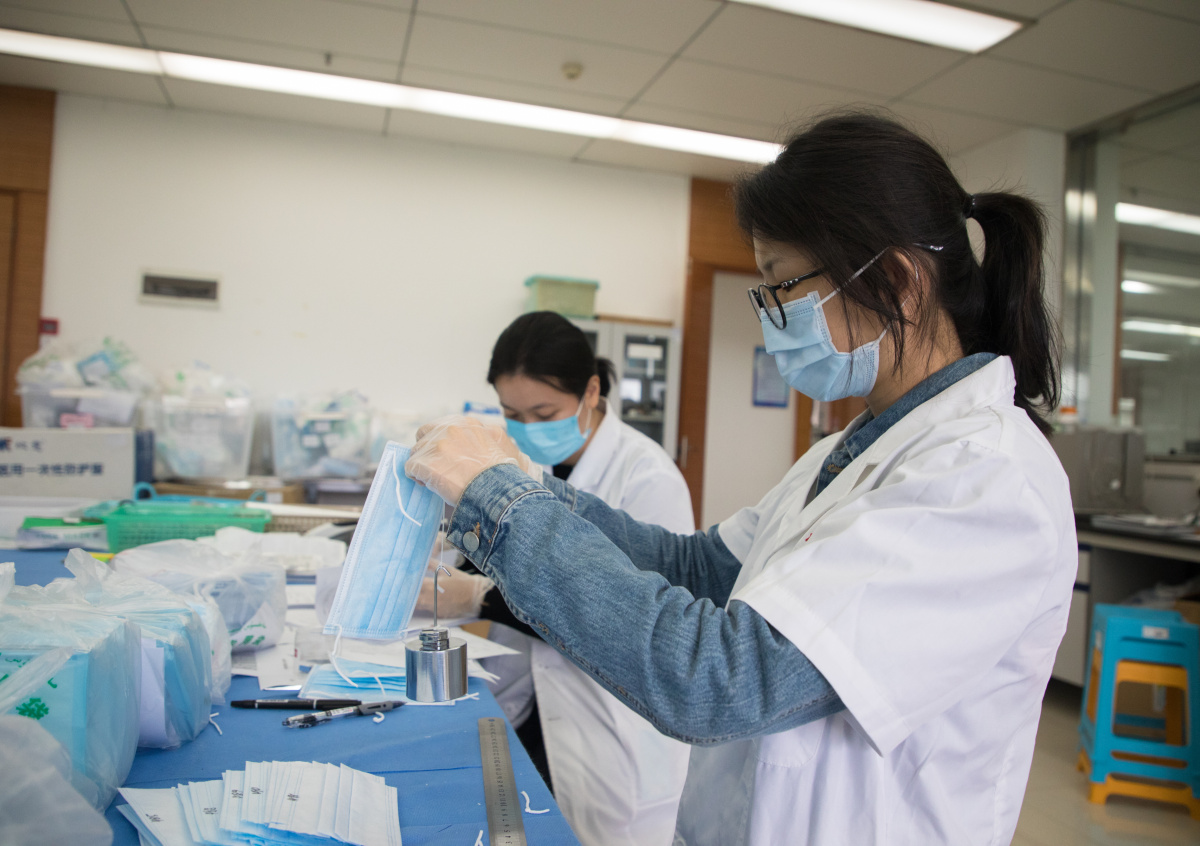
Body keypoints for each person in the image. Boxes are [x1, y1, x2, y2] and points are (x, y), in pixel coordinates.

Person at [406, 112, 1076, 845]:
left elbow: (721, 680)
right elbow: (696, 568)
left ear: (897, 281)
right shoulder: (852, 451)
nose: (771, 318)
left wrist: (504, 507)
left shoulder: (985, 480)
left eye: (783, 286)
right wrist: (518, 482)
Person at [417, 311, 695, 846]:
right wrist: (449, 549)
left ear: (591, 391)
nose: (528, 429)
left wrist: (477, 598)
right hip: (532, 699)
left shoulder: (647, 478)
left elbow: (620, 617)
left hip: (608, 723)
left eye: (544, 413)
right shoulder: (521, 460)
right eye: (512, 414)